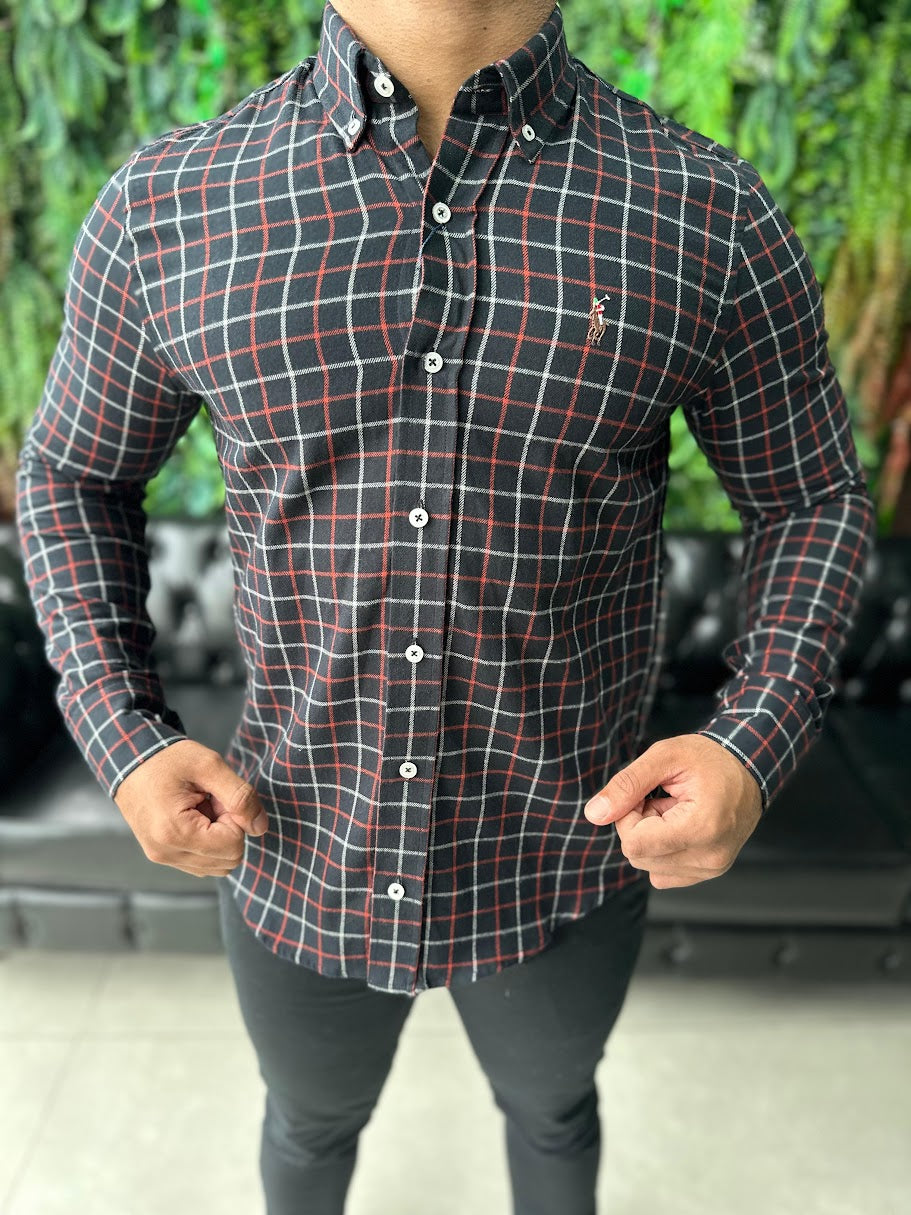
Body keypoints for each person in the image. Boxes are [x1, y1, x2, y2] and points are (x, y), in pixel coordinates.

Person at [15, 2, 875, 1212]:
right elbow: (73, 475)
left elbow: (809, 497)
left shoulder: (701, 211)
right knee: (308, 1124)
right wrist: (124, 735)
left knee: (552, 1112)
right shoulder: (172, 203)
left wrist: (751, 737)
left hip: (565, 851)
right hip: (298, 841)